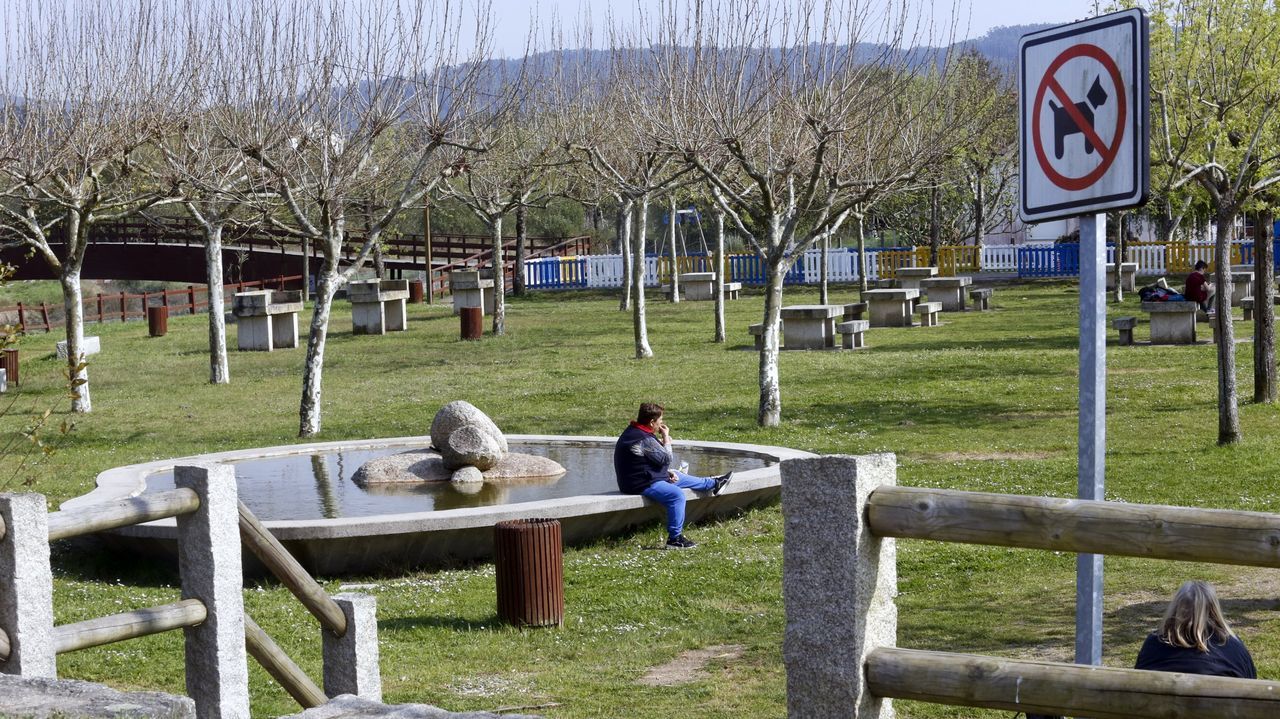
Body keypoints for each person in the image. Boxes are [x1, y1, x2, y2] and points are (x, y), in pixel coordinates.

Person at [614, 402, 732, 549]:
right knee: (676, 495)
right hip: (639, 483)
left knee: (676, 474)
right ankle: (674, 539)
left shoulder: (634, 431)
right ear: (652, 422)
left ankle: (714, 484)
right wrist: (666, 439)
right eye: (660, 421)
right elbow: (666, 458)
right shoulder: (644, 439)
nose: (661, 424)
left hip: (643, 477)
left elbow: (648, 461)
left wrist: (665, 472)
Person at [1134, 580, 1256, 679]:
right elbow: (1251, 684)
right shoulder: (1233, 646)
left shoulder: (1153, 644)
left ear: (1175, 608)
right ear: (1214, 610)